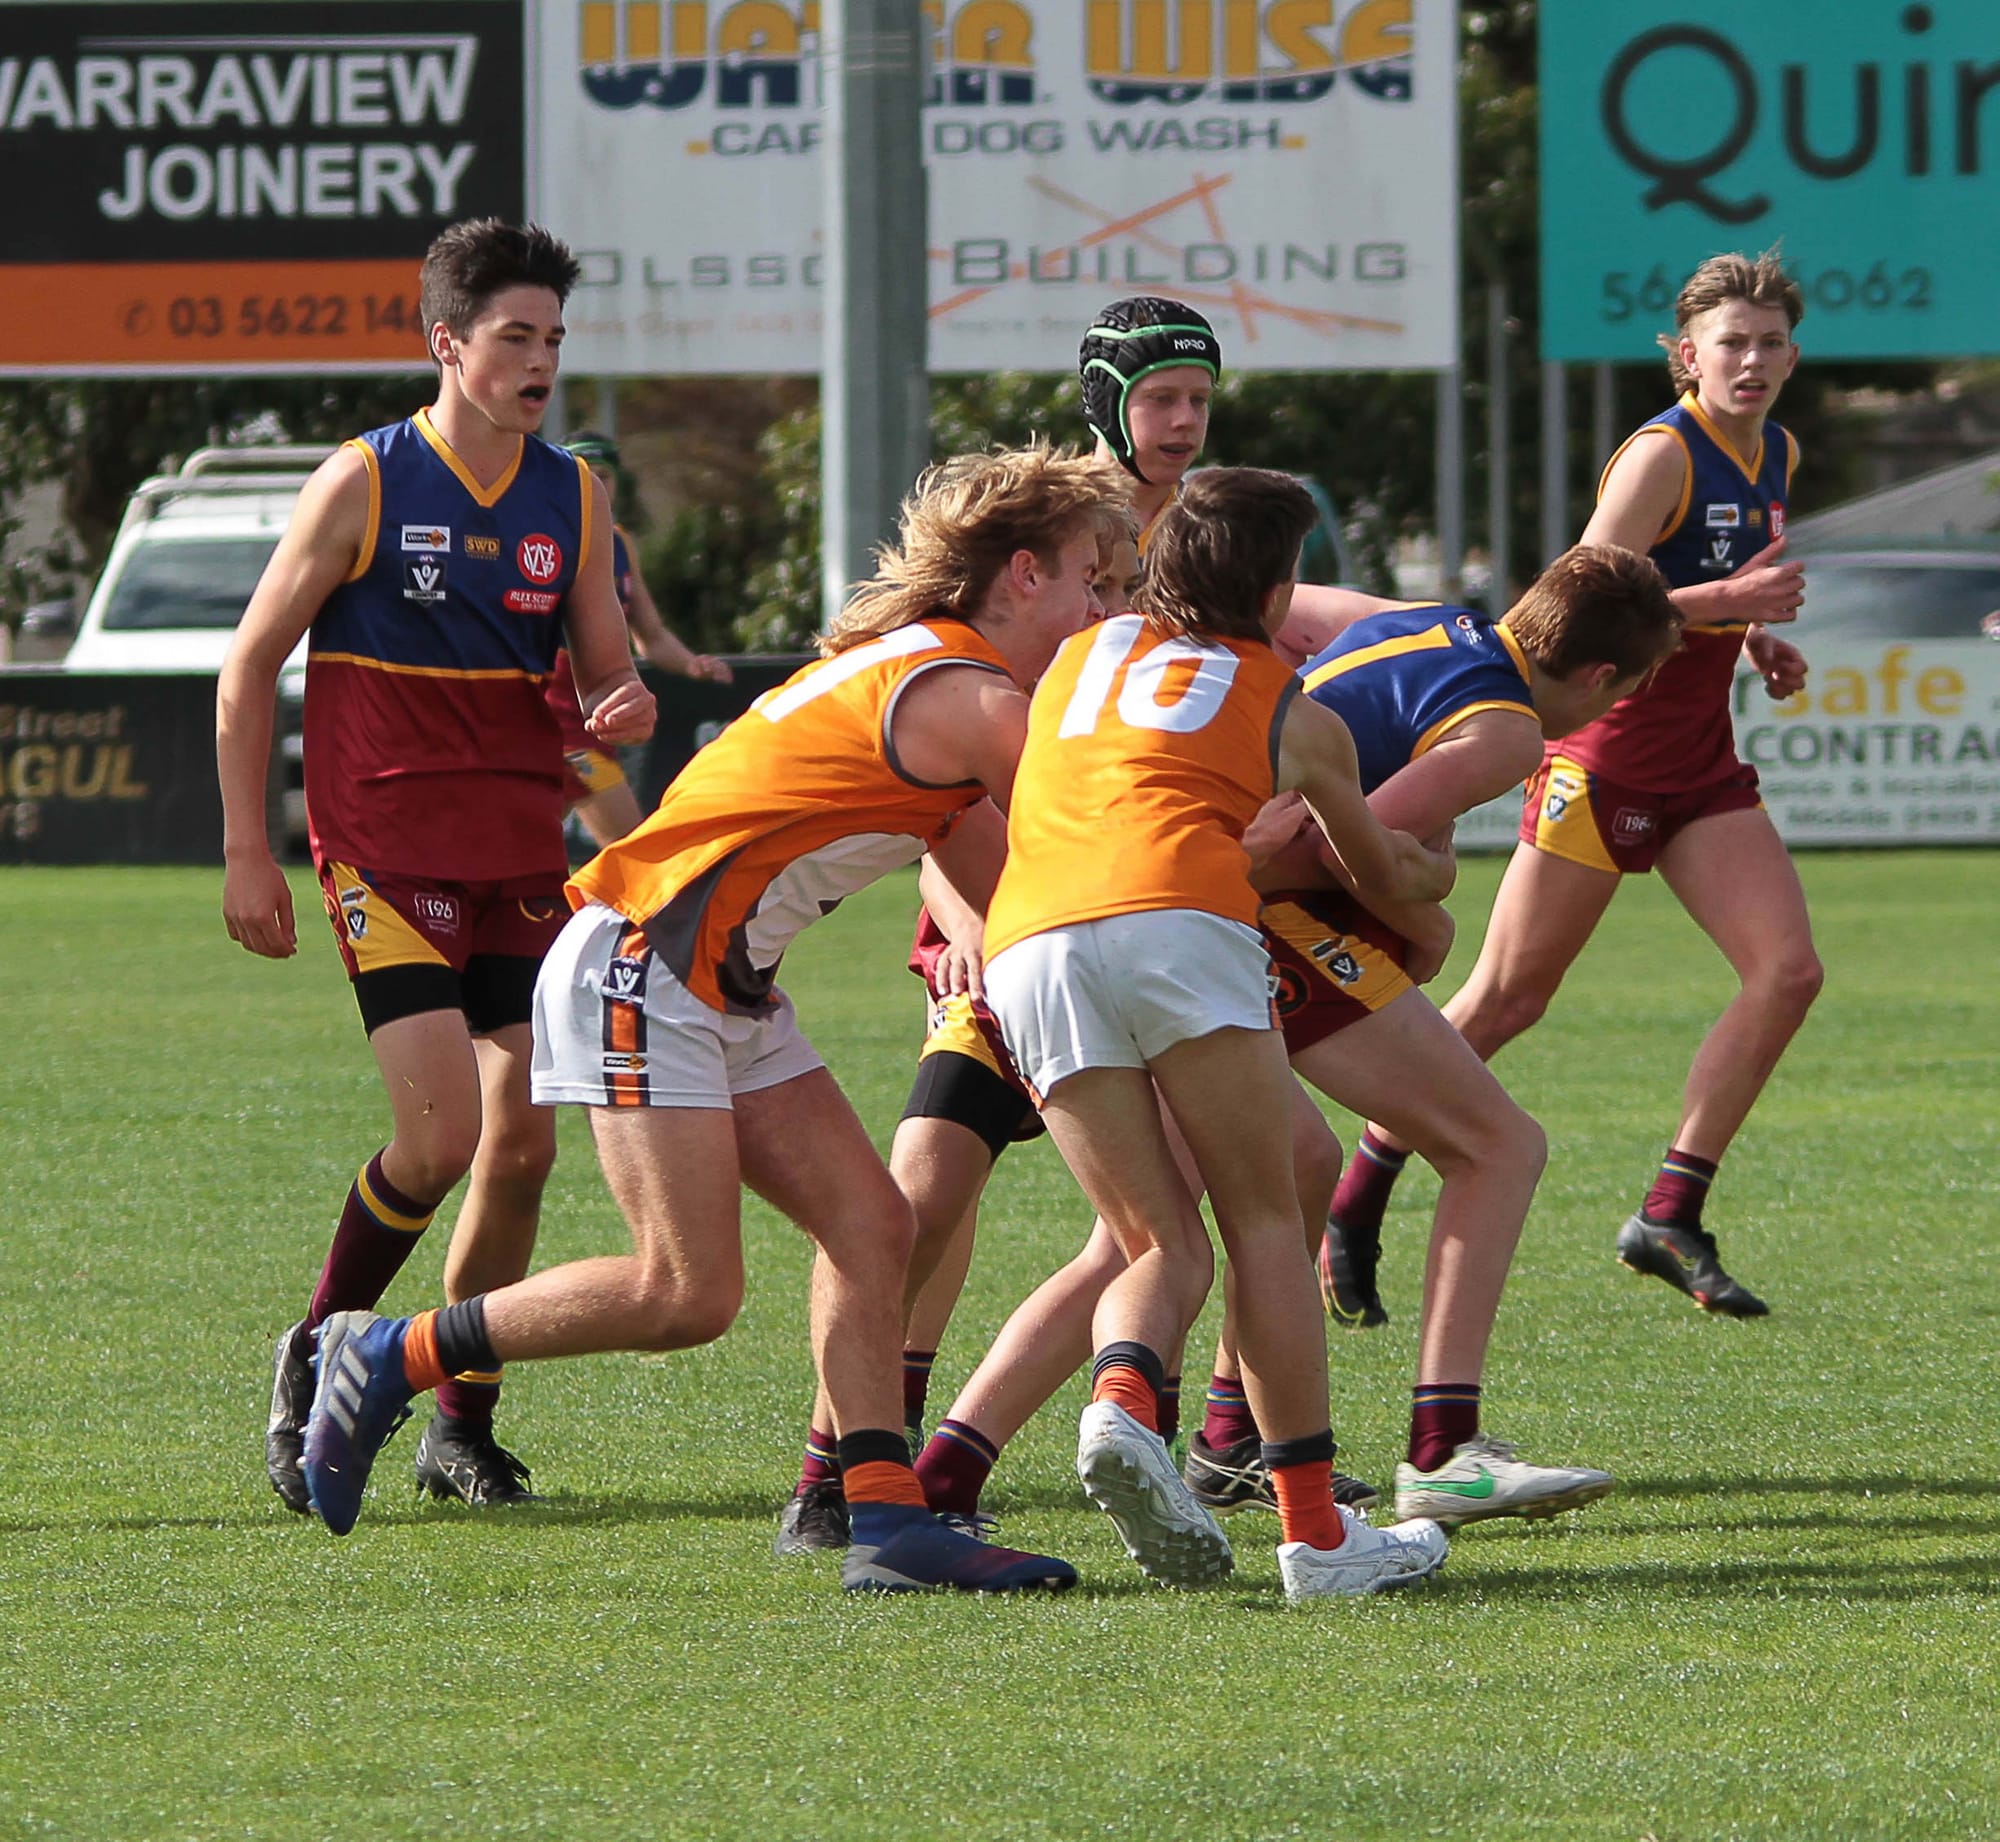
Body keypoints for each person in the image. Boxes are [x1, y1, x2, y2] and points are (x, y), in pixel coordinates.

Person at [298, 445, 1129, 1596]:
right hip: (642, 967)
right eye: (1092, 579)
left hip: (712, 984)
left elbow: (1015, 892)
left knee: (873, 1229)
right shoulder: (971, 698)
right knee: (682, 1295)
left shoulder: (930, 671)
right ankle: (391, 1349)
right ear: (1024, 574)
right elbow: (1101, 853)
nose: (1103, 610)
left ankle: (884, 1523)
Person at [219, 219, 657, 1515]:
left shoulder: (573, 496)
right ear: (447, 344)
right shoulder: (365, 480)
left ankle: (459, 1421)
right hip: (385, 849)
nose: (540, 362)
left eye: (553, 339)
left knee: (520, 1150)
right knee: (441, 1135)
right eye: (515, 337)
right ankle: (319, 1352)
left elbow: (604, 677)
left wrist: (625, 701)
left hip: (518, 858)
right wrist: (248, 851)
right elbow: (249, 667)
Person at [979, 466, 1456, 1601]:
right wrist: (1433, 868)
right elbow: (1378, 872)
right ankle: (1317, 1540)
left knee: (1152, 1238)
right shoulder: (1296, 709)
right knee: (1263, 1224)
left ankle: (1120, 1401)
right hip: (1178, 925)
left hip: (1028, 943)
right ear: (1278, 587)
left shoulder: (1077, 656)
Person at [1324, 250, 1817, 1323]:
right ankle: (1354, 1197)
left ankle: (1670, 1211)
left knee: (1787, 973)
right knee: (1508, 999)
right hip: (1603, 756)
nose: (1752, 360)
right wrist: (1726, 601)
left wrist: (1749, 640)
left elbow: (1694, 598)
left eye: (1770, 342)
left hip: (1700, 761)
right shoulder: (1661, 454)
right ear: (1685, 356)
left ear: (1791, 355)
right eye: (1730, 343)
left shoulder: (1775, 448)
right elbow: (1581, 600)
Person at [1186, 544, 1682, 1530]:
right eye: (1631, 688)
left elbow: (1345, 737)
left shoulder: (1421, 622)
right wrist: (1426, 914)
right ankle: (1442, 1452)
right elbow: (1336, 841)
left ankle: (1229, 1436)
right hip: (1244, 908)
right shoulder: (1507, 730)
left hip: (1193, 894)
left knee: (1286, 1173)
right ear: (1597, 677)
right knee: (1496, 1146)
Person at [550, 431, 734, 848]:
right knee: (635, 850)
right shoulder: (541, 535)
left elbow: (649, 633)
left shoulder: (618, 542)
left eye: (602, 476)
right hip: (556, 719)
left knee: (519, 852)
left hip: (598, 719)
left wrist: (691, 663)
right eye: (582, 474)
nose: (593, 485)